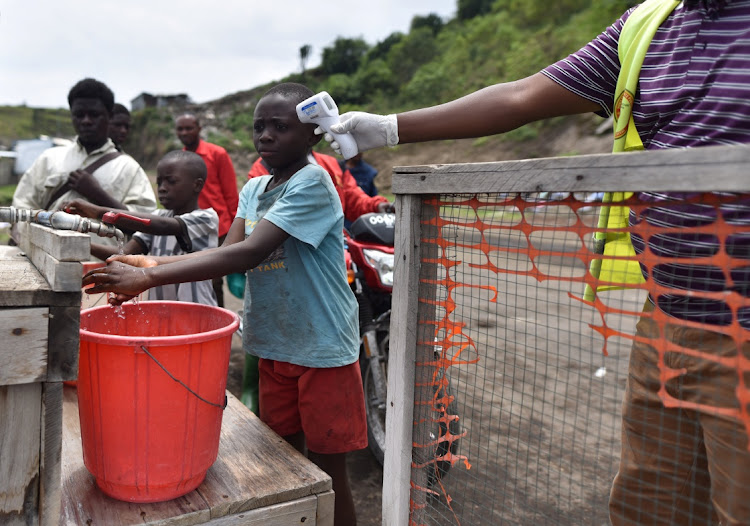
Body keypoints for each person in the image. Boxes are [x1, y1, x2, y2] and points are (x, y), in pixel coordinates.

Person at [323, 1, 750, 524]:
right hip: (664, 318)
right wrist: (390, 128)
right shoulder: (651, 23)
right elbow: (524, 94)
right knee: (650, 501)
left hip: (743, 325)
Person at [84, 82, 367, 526]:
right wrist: (150, 260)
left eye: (280, 126)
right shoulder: (255, 190)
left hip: (322, 350)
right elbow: (221, 255)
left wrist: (150, 275)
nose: (266, 136)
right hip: (274, 345)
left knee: (329, 473)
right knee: (285, 464)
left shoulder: (313, 182)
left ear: (313, 134)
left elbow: (250, 252)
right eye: (259, 127)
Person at [12, 78, 156, 247]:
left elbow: (146, 225)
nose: (86, 121)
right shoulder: (49, 159)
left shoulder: (129, 168)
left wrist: (96, 193)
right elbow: (21, 209)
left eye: (94, 115)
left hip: (102, 269)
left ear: (109, 116)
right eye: (79, 115)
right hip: (43, 264)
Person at [64, 150, 218, 305]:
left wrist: (99, 211)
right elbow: (122, 254)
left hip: (196, 309)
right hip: (161, 311)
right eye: (159, 183)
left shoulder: (206, 219)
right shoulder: (160, 216)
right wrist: (81, 240)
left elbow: (163, 226)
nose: (162, 188)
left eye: (171, 181)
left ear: (196, 185)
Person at [175, 113, 239, 308]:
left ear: (199, 129)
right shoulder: (179, 158)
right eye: (180, 129)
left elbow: (230, 192)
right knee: (195, 278)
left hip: (219, 226)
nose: (185, 132)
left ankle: (219, 321)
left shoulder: (217, 154)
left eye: (189, 128)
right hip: (191, 227)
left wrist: (238, 227)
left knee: (214, 280)